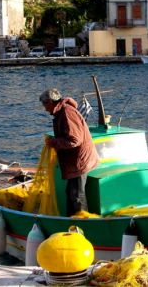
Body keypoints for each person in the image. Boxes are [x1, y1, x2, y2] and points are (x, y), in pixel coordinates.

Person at [39, 88, 99, 216]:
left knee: (77, 195)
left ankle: (82, 224)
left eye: (45, 104)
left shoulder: (67, 112)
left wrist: (54, 142)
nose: (44, 109)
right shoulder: (61, 111)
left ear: (50, 101)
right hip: (76, 161)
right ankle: (71, 221)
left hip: (80, 161)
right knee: (71, 193)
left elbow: (74, 140)